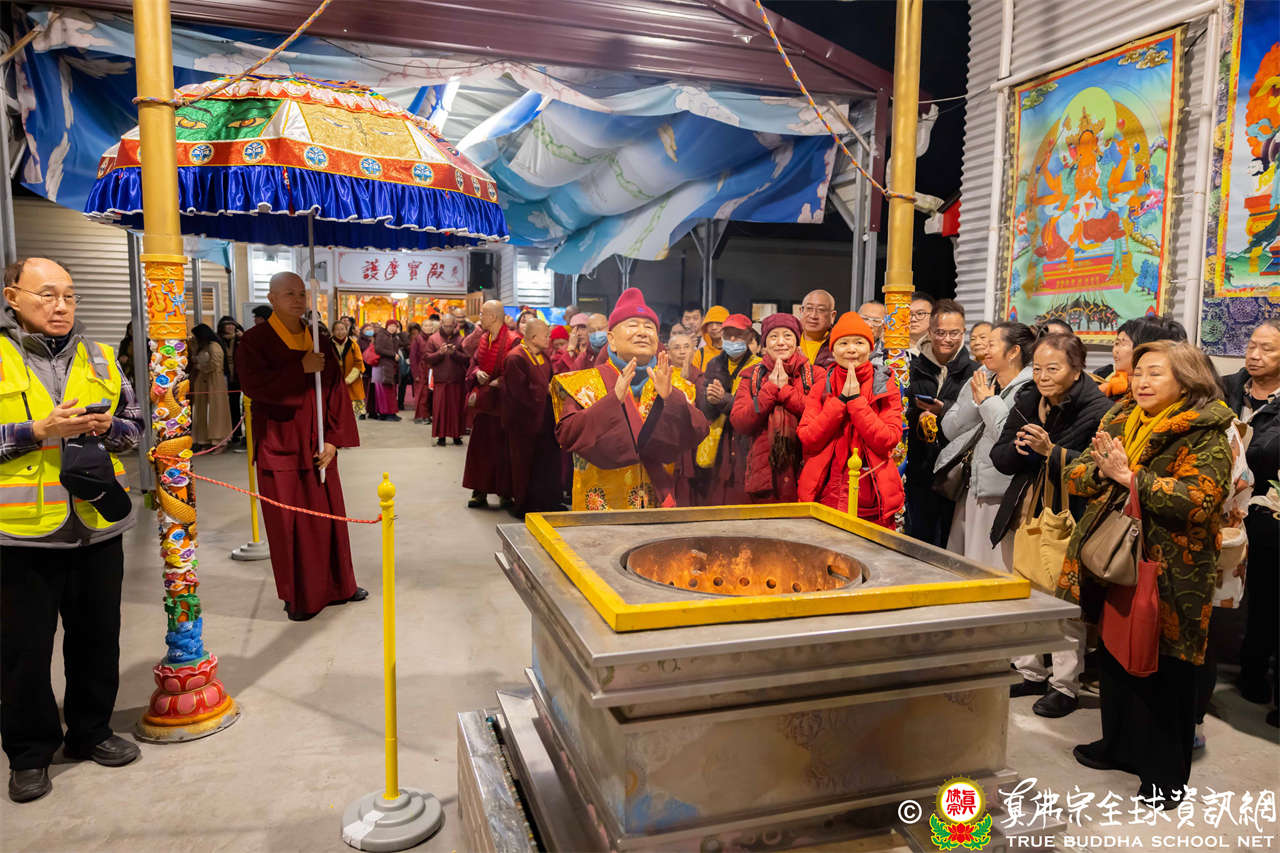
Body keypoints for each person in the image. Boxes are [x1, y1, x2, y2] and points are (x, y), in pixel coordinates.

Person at [1061, 341, 1234, 805]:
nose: (1141, 381)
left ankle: (1164, 776)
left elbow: (1199, 501)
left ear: (1187, 379)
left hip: (1173, 572)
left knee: (1165, 670)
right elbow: (1076, 474)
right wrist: (1104, 473)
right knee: (1116, 656)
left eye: (1155, 373)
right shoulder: (1121, 417)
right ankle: (1118, 746)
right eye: (1138, 372)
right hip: (1116, 559)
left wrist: (1130, 478)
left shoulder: (1206, 430)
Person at [1, 258, 144, 804]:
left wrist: (110, 427)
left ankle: (91, 731)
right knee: (23, 652)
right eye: (46, 294)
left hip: (96, 524)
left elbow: (135, 428)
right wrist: (37, 430)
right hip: (20, 534)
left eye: (69, 295)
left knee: (97, 638)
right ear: (13, 297)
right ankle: (30, 753)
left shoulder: (101, 356)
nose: (60, 306)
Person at [989, 332, 1111, 718]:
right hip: (1024, 508)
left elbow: (1096, 469)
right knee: (1022, 592)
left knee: (1063, 602)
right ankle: (1029, 670)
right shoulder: (1028, 399)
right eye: (1038, 368)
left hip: (1069, 515)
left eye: (1052, 369)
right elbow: (999, 456)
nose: (1042, 377)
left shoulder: (1098, 409)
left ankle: (1065, 685)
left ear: (1077, 369)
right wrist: (1020, 450)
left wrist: (1050, 451)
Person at [236, 272, 366, 621]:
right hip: (280, 445)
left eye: (301, 294)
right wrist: (300, 368)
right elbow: (253, 386)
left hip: (319, 443)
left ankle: (341, 586)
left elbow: (336, 389)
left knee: (329, 519)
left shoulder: (318, 337)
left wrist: (334, 440)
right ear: (272, 299)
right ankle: (301, 596)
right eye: (288, 294)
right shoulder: (255, 340)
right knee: (289, 525)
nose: (297, 300)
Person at [553, 288, 708, 510]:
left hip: (656, 504)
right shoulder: (583, 383)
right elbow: (567, 435)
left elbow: (698, 431)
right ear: (611, 340)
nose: (643, 332)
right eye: (633, 325)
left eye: (649, 327)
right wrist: (612, 401)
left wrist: (670, 398)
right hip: (601, 508)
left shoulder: (676, 385)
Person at [937, 322, 1035, 571]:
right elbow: (950, 428)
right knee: (962, 563)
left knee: (989, 566)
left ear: (1013, 352)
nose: (984, 349)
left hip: (999, 491)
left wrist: (988, 401)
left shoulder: (1030, 388)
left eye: (992, 344)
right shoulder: (982, 377)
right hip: (970, 484)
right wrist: (975, 400)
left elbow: (1011, 440)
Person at [797, 312, 903, 526]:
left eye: (859, 343)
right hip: (826, 494)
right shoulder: (822, 386)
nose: (851, 349)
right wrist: (839, 402)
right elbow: (808, 437)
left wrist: (856, 402)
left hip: (871, 497)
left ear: (870, 348)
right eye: (843, 343)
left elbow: (889, 439)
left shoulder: (884, 386)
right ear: (833, 349)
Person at [1224, 319, 1280, 722]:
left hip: (1267, 513)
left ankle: (1256, 672)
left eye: (1268, 349)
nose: (1255, 355)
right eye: (1251, 346)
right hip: (1222, 507)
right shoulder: (1227, 388)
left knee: (1267, 598)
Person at [730, 312, 824, 503]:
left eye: (787, 336)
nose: (781, 342)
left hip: (804, 470)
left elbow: (821, 418)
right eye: (773, 336)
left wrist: (786, 391)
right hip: (763, 476)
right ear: (764, 345)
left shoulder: (816, 375)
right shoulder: (751, 376)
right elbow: (739, 421)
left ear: (797, 342)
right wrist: (770, 389)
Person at [904, 299, 976, 547]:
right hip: (917, 465)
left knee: (949, 542)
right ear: (930, 331)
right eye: (940, 332)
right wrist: (917, 413)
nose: (947, 339)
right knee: (916, 538)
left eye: (954, 333)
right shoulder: (911, 368)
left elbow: (974, 418)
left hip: (954, 469)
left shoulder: (974, 372)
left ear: (963, 332)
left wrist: (943, 410)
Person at [695, 314, 761, 506]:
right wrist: (710, 400)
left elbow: (756, 408)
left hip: (745, 443)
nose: (732, 340)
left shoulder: (759, 366)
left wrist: (724, 399)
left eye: (738, 335)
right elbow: (704, 409)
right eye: (728, 334)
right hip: (718, 442)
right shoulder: (714, 364)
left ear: (749, 336)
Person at [502, 319, 562, 516]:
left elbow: (550, 382)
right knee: (525, 465)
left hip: (545, 419)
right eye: (546, 335)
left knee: (546, 463)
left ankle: (548, 502)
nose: (549, 339)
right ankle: (524, 505)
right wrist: (544, 392)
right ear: (534, 337)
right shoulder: (516, 358)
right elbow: (518, 395)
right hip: (524, 423)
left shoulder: (543, 356)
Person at [464, 300, 517, 508]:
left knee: (503, 451)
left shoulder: (513, 340)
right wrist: (477, 372)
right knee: (480, 450)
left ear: (493, 317)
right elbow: (474, 362)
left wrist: (501, 381)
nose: (480, 318)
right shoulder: (483, 338)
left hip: (503, 405)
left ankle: (505, 493)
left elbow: (518, 371)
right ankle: (479, 492)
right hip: (485, 403)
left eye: (482, 314)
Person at [423, 312, 469, 446]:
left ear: (455, 325)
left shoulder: (461, 339)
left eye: (450, 326)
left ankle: (456, 436)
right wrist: (440, 353)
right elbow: (427, 358)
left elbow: (467, 359)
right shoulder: (433, 339)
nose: (448, 328)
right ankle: (441, 436)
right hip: (441, 380)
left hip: (457, 379)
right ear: (441, 324)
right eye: (446, 326)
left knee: (456, 410)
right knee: (440, 410)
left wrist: (455, 353)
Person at [189, 323, 231, 452]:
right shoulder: (203, 347)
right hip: (202, 381)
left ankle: (219, 440)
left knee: (216, 410)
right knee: (202, 411)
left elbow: (215, 364)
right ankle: (204, 440)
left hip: (214, 381)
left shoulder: (214, 346)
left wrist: (201, 367)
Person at [216, 316, 244, 444]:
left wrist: (242, 338)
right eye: (227, 325)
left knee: (236, 405)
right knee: (223, 407)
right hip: (223, 375)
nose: (230, 327)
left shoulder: (240, 338)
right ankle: (225, 434)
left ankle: (237, 434)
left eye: (232, 324)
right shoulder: (218, 340)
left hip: (238, 376)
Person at [331, 319, 366, 420]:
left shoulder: (353, 344)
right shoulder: (328, 344)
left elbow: (358, 363)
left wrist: (348, 380)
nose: (340, 332)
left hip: (351, 381)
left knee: (350, 415)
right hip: (334, 382)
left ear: (346, 331)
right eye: (337, 330)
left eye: (342, 329)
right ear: (333, 331)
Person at [370, 321, 402, 421]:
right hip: (382, 367)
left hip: (390, 367)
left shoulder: (394, 336)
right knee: (384, 392)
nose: (393, 328)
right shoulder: (382, 335)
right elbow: (378, 349)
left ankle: (389, 412)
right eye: (391, 326)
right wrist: (393, 354)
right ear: (387, 326)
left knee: (389, 391)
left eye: (395, 326)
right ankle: (386, 413)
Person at [797, 289, 837, 368]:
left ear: (832, 316)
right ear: (801, 311)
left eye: (821, 310)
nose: (813, 316)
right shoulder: (790, 341)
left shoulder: (839, 344)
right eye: (809, 308)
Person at [691, 305, 728, 371]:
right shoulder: (700, 354)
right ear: (705, 327)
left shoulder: (734, 352)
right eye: (710, 323)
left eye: (719, 323)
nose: (714, 327)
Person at [409, 323, 432, 425]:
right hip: (421, 369)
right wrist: (415, 374)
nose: (428, 328)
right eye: (426, 326)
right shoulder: (417, 339)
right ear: (422, 328)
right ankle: (421, 416)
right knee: (422, 394)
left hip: (431, 369)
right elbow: (413, 357)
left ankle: (427, 415)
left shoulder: (433, 338)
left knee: (429, 394)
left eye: (430, 326)